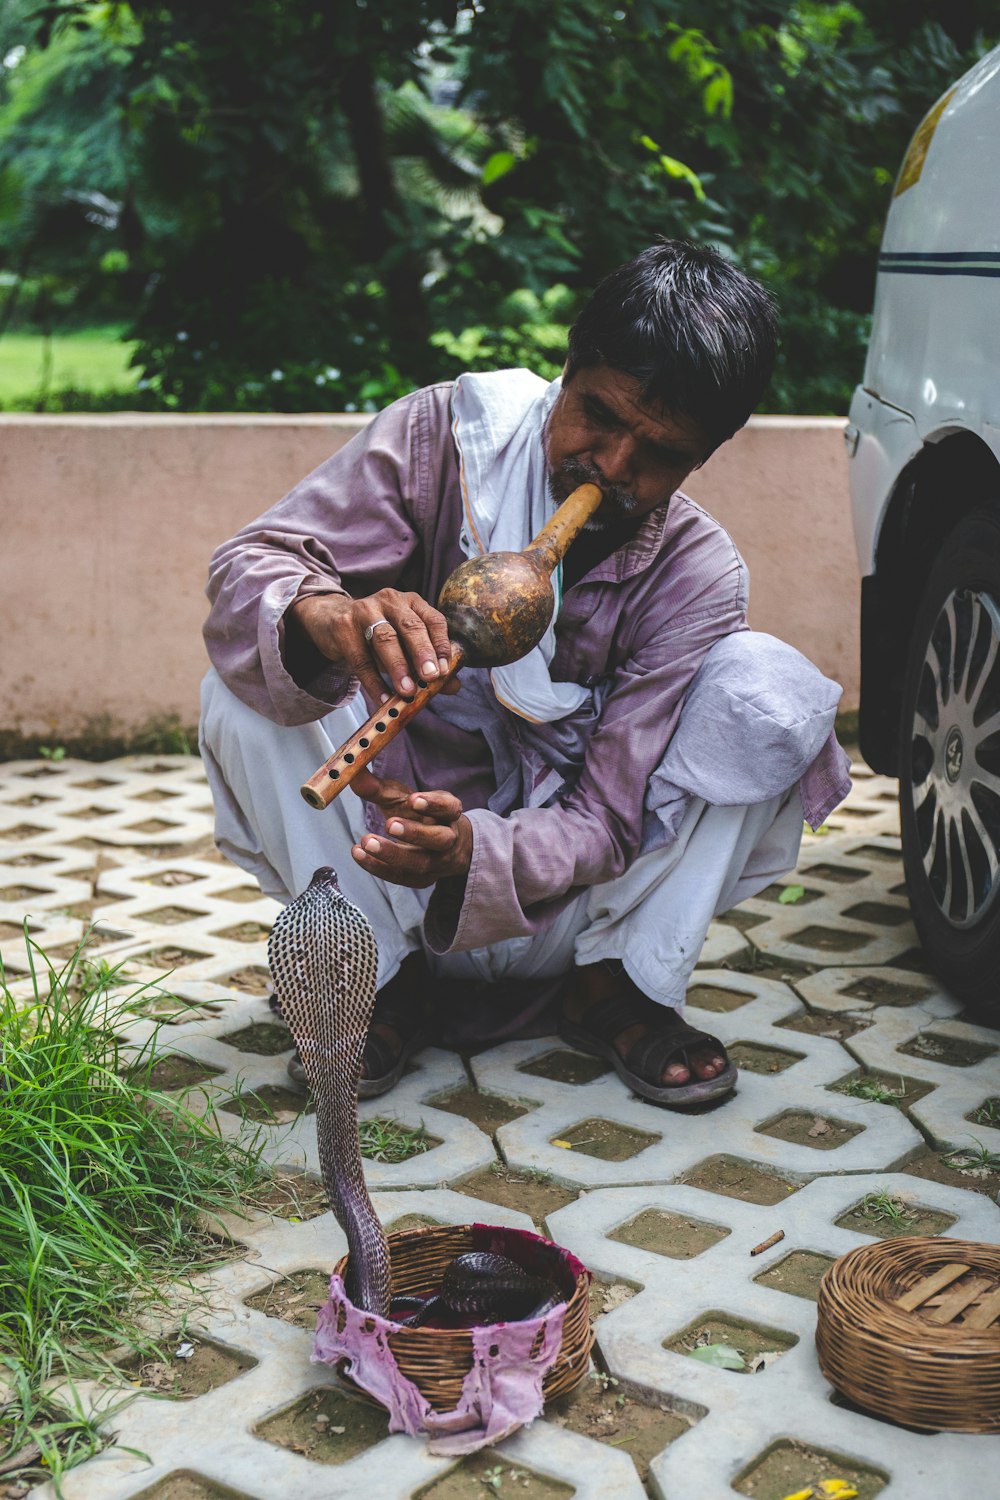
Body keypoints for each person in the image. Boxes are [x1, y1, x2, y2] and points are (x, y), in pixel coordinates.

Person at [199, 239, 850, 1110]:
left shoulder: (697, 573)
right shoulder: (443, 439)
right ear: (568, 367)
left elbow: (610, 823)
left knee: (766, 693)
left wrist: (476, 849)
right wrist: (327, 618)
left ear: (705, 456)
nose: (612, 467)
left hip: (563, 904)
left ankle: (614, 982)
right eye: (600, 417)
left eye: (658, 453)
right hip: (381, 865)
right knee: (251, 677)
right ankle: (379, 979)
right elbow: (253, 562)